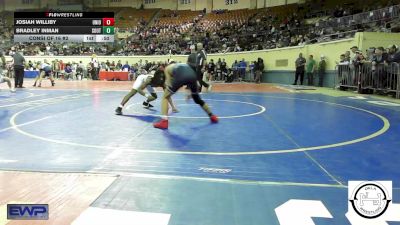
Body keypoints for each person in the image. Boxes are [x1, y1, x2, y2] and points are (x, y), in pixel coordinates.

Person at [153, 63, 218, 129]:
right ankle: (212, 116)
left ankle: (164, 122)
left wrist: (170, 89)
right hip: (193, 77)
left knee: (165, 97)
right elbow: (191, 80)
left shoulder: (167, 69)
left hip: (181, 78)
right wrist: (190, 92)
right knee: (197, 99)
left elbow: (169, 83)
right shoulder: (182, 65)